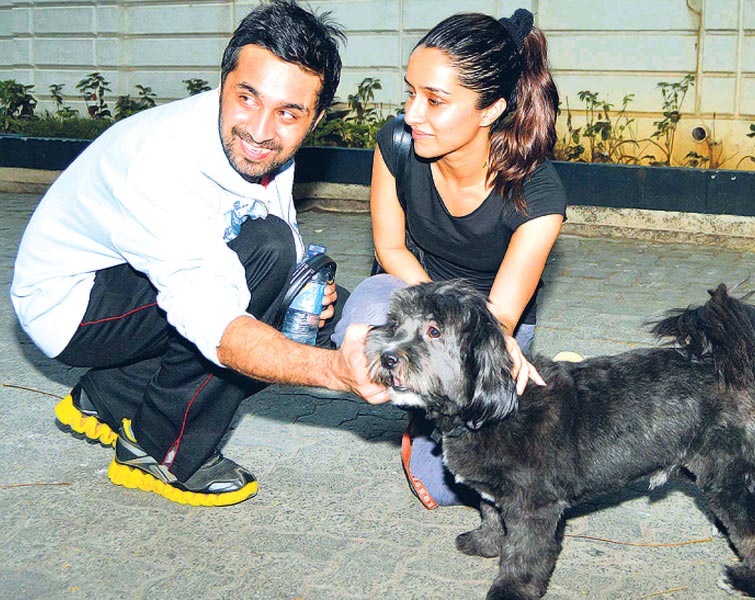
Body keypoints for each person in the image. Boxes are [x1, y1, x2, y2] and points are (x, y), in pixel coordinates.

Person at [10, 0, 388, 508]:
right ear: (223, 81)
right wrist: (332, 370)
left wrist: (312, 302)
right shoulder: (166, 158)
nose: (259, 129)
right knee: (264, 276)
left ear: (315, 118)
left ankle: (109, 396)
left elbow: (277, 231)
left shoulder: (264, 147)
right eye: (247, 97)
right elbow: (215, 321)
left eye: (288, 112)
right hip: (68, 305)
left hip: (129, 282)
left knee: (292, 285)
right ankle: (159, 450)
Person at [333, 9, 567, 508]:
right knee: (370, 308)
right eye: (410, 92)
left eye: (435, 100)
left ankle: (432, 400)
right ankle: (406, 379)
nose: (413, 114)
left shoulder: (538, 194)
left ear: (490, 109)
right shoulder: (396, 144)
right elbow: (390, 249)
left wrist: (465, 339)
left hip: (482, 325)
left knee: (449, 487)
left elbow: (499, 316)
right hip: (404, 293)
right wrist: (427, 316)